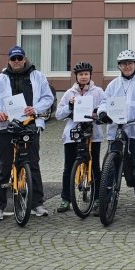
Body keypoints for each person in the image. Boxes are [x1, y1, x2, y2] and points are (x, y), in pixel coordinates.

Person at [0, 45, 55, 221]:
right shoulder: (1, 78)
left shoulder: (37, 76)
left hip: (30, 123)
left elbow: (48, 97)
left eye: (19, 58)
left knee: (32, 164)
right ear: (9, 61)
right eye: (13, 59)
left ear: (24, 59)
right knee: (4, 165)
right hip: (6, 125)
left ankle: (37, 204)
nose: (17, 61)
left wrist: (36, 108)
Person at [96, 49, 135, 213]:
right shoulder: (113, 85)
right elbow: (104, 101)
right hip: (117, 128)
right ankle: (106, 200)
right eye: (124, 64)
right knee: (110, 167)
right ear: (119, 66)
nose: (127, 67)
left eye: (130, 64)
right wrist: (102, 113)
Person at [54, 62, 105, 214]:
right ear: (76, 76)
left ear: (90, 75)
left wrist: (99, 113)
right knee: (68, 167)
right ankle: (66, 199)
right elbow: (58, 115)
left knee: (95, 166)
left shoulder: (98, 91)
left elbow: (105, 105)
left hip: (92, 134)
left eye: (86, 74)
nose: (84, 77)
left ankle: (97, 198)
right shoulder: (69, 93)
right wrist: (70, 106)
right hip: (73, 134)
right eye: (81, 74)